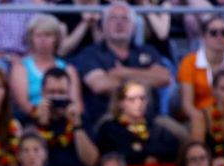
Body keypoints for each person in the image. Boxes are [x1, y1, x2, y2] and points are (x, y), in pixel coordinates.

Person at [72, 1, 170, 129]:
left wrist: (123, 72)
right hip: (108, 120)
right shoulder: (91, 53)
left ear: (134, 26)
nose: (119, 22)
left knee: (180, 136)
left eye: (125, 19)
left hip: (151, 121)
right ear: (104, 26)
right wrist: (146, 78)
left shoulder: (147, 51)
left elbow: (164, 78)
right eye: (113, 18)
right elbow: (100, 85)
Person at [31, 67, 97, 166]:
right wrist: (42, 125)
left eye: (61, 93)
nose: (57, 98)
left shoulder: (80, 119)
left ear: (69, 93)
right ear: (42, 93)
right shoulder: (31, 121)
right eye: (52, 93)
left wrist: (77, 126)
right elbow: (31, 162)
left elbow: (92, 162)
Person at [177, 15, 224, 120]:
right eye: (213, 33)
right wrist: (205, 123)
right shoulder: (189, 62)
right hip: (197, 120)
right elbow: (187, 106)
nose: (219, 37)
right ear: (203, 37)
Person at [9, 14, 82, 116]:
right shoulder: (20, 68)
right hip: (31, 120)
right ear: (31, 38)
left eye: (48, 35)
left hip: (64, 119)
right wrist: (40, 117)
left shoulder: (69, 69)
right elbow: (22, 103)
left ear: (56, 38)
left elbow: (77, 103)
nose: (43, 39)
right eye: (38, 35)